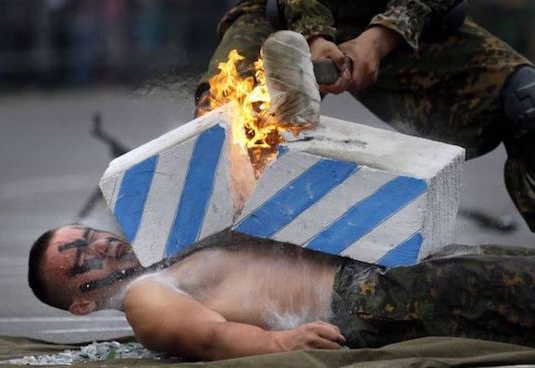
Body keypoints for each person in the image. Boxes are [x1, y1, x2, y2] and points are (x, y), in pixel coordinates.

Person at [195, 0, 535, 232]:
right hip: (285, 14)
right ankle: (214, 271)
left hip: (401, 22)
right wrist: (314, 33)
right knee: (227, 126)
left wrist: (381, 37)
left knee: (528, 103)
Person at [29, 224, 535, 360]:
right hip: (367, 297)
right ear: (83, 302)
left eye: (92, 235)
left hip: (384, 266)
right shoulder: (143, 297)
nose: (104, 246)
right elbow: (208, 337)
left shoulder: (166, 248)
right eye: (84, 260)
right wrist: (279, 345)